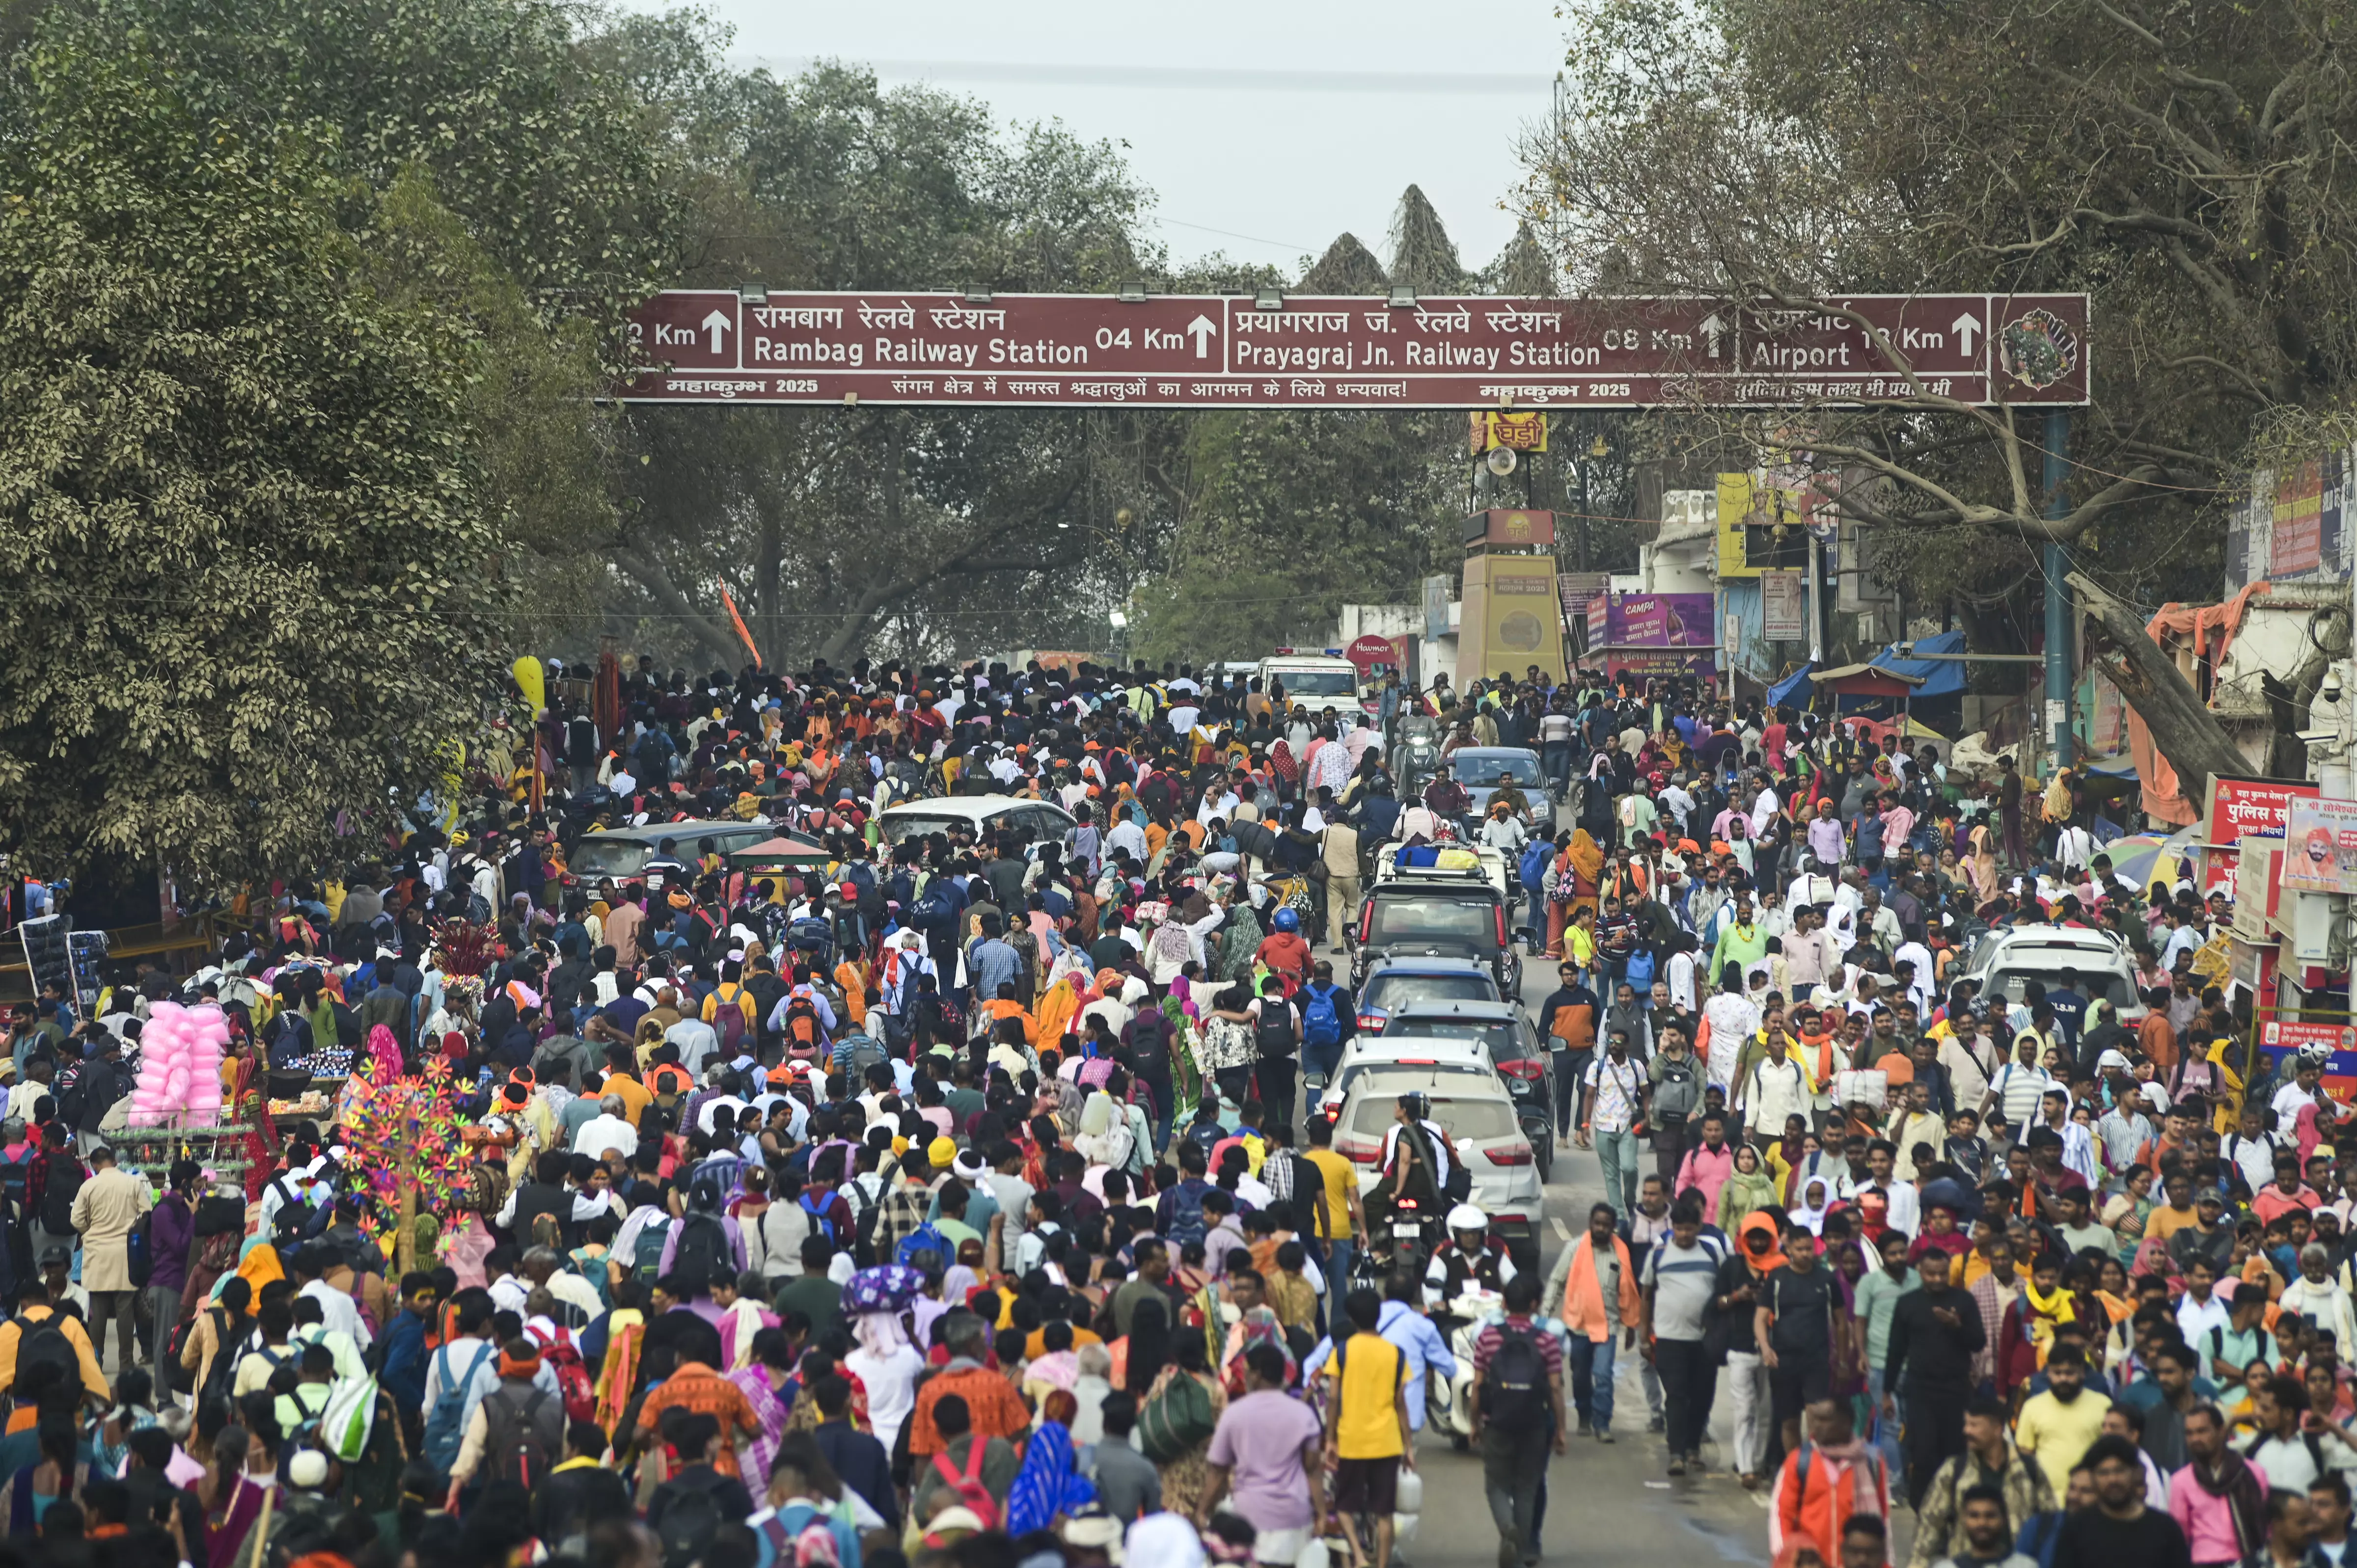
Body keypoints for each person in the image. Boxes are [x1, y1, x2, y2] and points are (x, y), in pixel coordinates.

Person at [1467, 1271, 1566, 1564]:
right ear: (1535, 1304)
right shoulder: (1548, 1340)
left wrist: (1474, 1423)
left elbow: (1476, 1386)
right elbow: (1556, 1388)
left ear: (1505, 1303)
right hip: (1535, 1423)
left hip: (1498, 1421)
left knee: (1496, 1484)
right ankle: (1523, 1548)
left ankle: (1507, 1527)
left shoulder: (1488, 1337)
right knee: (1528, 1486)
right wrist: (1560, 1430)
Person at [1202, 1341, 1324, 1563]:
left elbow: (1218, 1471)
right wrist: (1322, 1515)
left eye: (1247, 1372)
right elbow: (1313, 1470)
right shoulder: (1303, 1414)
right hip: (1294, 1516)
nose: (1245, 1377)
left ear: (1257, 1375)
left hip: (1249, 1517)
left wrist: (1202, 1511)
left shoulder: (1234, 1415)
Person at [1321, 1286, 1412, 1568]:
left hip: (1352, 1440)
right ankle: (1382, 1564)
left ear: (1351, 1319)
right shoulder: (1396, 1354)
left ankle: (1359, 1558)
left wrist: (1330, 1439)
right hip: (1387, 1441)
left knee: (1345, 1507)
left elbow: (1333, 1398)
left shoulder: (1342, 1352)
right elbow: (1400, 1404)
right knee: (1384, 1512)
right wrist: (1408, 1446)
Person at [1910, 1400, 2055, 1568]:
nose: (1967, 1431)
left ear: (1998, 1429)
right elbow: (1930, 1524)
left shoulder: (2028, 1470)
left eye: (1975, 1425)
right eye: (1966, 1424)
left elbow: (2050, 1522)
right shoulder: (1955, 1470)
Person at [1640, 1195, 1725, 1477]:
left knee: (1702, 1397)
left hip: (1705, 1341)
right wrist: (1644, 1336)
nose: (1685, 1234)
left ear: (1699, 1226)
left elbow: (1723, 1294)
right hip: (1668, 1339)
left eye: (1690, 1228)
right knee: (1676, 1396)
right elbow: (1646, 1296)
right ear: (1672, 1227)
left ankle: (1693, 1449)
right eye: (1680, 1228)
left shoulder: (1714, 1254)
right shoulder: (1659, 1255)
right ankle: (1677, 1453)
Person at [1553, 1201, 1640, 1441]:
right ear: (1590, 1224)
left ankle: (1602, 1424)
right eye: (1597, 1223)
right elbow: (1556, 1283)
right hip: (1578, 1324)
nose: (1601, 1228)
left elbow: (1629, 1293)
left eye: (1606, 1225)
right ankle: (1584, 1415)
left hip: (1608, 1325)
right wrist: (1543, 1315)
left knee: (1603, 1375)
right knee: (1580, 1375)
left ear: (1613, 1228)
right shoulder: (1574, 1249)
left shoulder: (1620, 1253)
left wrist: (1631, 1325)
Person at [1768, 1398, 1891, 1566]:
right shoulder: (1799, 1461)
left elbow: (1883, 1520)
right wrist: (1788, 1558)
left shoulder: (1872, 1463)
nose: (1816, 1426)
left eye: (1825, 1420)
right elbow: (1781, 1514)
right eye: (1815, 1419)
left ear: (1847, 1423)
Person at [2049, 1434, 2194, 1568]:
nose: (2113, 1480)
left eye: (2120, 1471)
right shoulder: (2076, 1529)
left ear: (2134, 1473)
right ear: (2093, 1478)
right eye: (2104, 1473)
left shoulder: (2165, 1529)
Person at [2166, 1403, 2266, 1568]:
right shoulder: (2181, 1481)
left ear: (2221, 1431)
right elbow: (2179, 1536)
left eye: (2202, 1431)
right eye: (2189, 1434)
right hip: (2204, 1562)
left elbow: (2266, 1523)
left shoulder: (2252, 1473)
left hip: (2249, 1560)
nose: (2195, 1439)